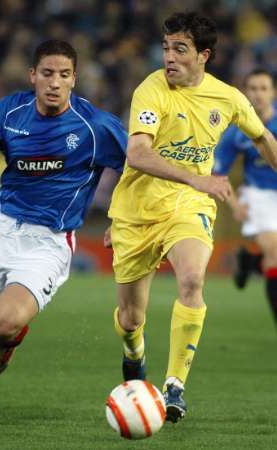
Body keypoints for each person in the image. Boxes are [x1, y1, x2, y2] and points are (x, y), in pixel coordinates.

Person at [106, 12, 277, 423]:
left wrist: (197, 186)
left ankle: (174, 387)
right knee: (131, 319)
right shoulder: (151, 89)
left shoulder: (229, 98)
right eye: (166, 48)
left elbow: (263, 137)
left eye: (180, 49)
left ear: (204, 55)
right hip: (137, 211)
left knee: (192, 279)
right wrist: (198, 179)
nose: (169, 57)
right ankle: (135, 353)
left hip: (189, 206)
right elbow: (138, 154)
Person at [0, 40, 127, 381]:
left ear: (74, 79)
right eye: (47, 73)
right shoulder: (9, 111)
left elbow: (138, 168)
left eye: (64, 74)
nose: (54, 82)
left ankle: (4, 347)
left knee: (3, 322)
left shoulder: (96, 126)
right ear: (33, 76)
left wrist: (122, 219)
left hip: (47, 241)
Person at [214, 69, 277, 326]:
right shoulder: (238, 131)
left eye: (263, 88)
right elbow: (218, 172)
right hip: (258, 196)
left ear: (272, 92)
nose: (258, 94)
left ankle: (250, 262)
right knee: (274, 253)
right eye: (252, 88)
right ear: (245, 93)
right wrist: (235, 204)